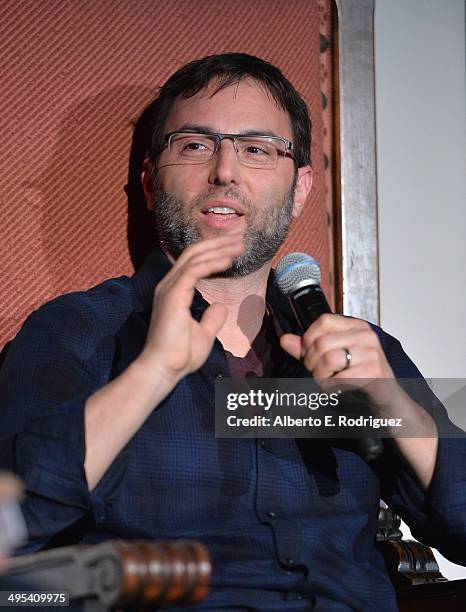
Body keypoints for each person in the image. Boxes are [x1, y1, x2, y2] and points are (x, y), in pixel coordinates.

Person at [0, 53, 465, 611]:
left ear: (299, 189)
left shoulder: (361, 351)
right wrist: (151, 374)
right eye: (195, 145)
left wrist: (400, 411)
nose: (225, 170)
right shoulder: (74, 333)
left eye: (257, 150)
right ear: (150, 183)